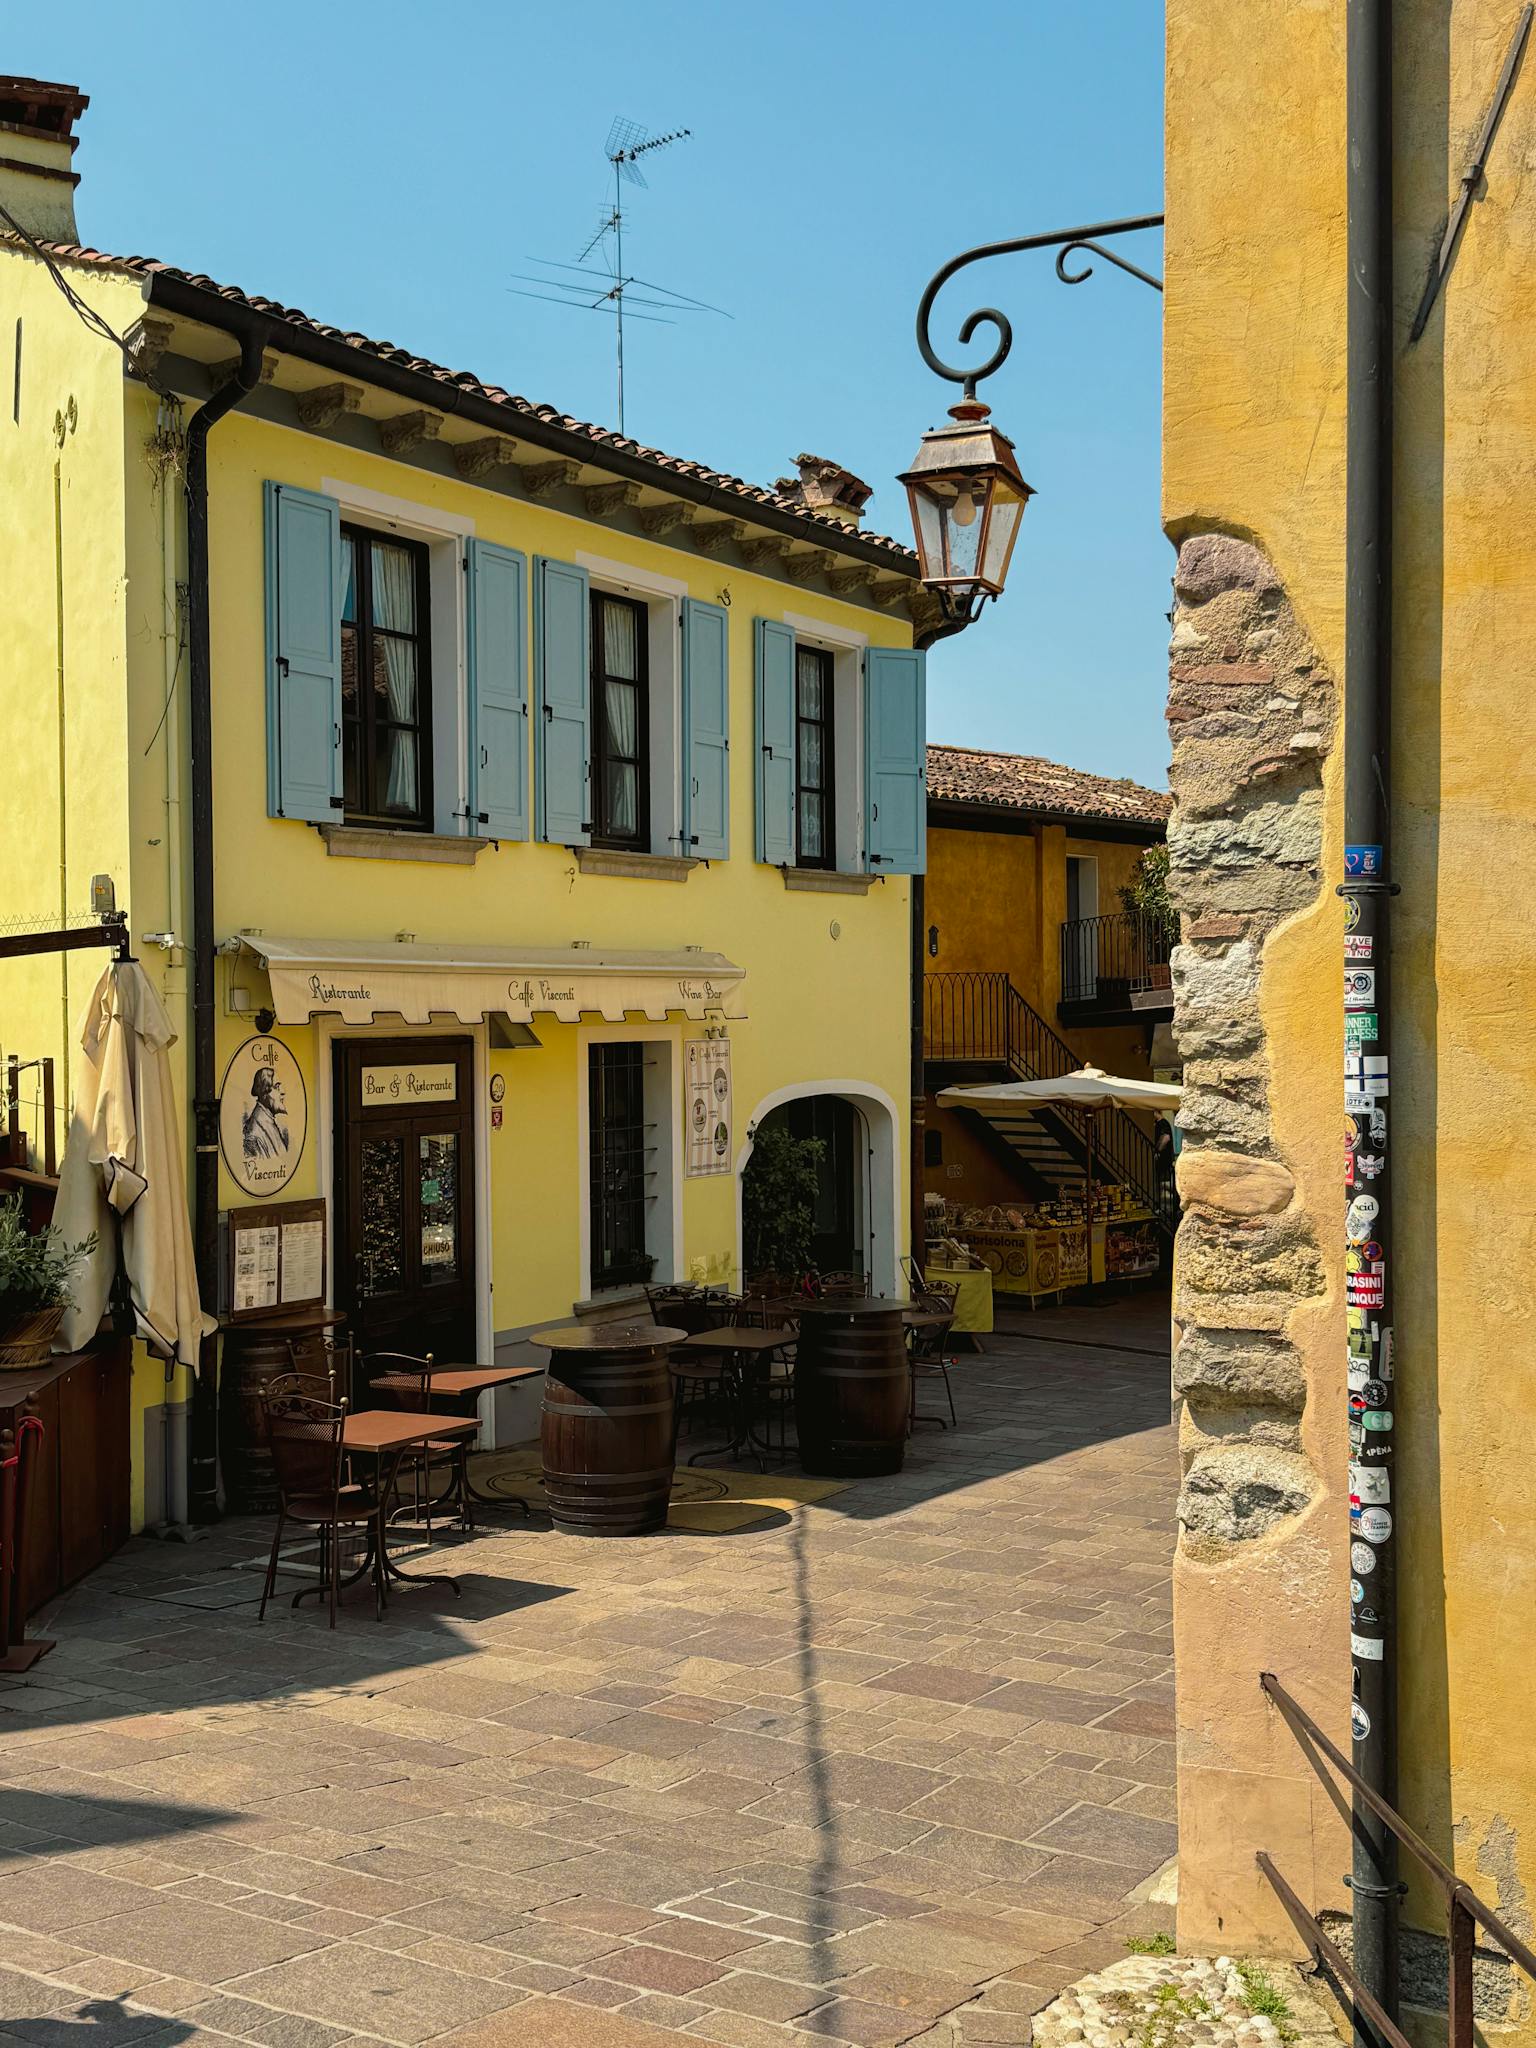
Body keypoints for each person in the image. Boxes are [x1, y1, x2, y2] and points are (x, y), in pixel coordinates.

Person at [242, 1064, 289, 1159]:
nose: (283, 1091)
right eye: (277, 1086)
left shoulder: (268, 1120)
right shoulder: (254, 1134)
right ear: (264, 1091)